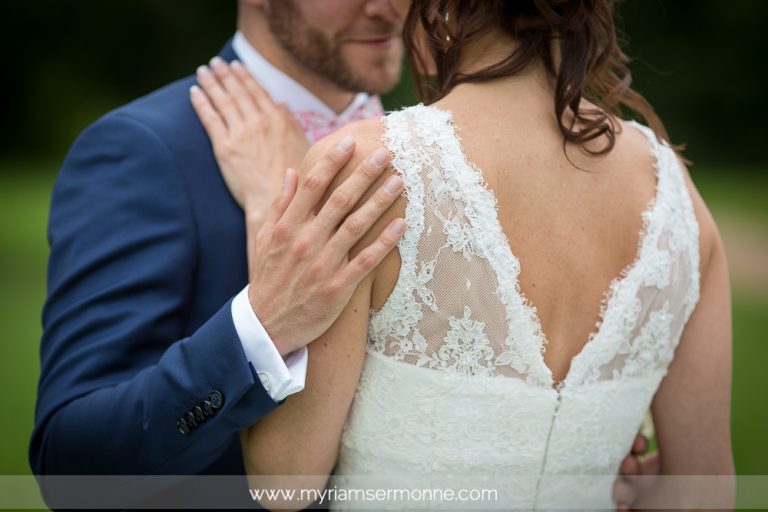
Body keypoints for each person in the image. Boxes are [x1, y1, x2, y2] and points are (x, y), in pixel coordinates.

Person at [193, 0, 734, 509]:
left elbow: (284, 482)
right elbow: (704, 490)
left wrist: (271, 212)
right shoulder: (676, 196)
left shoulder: (370, 170)